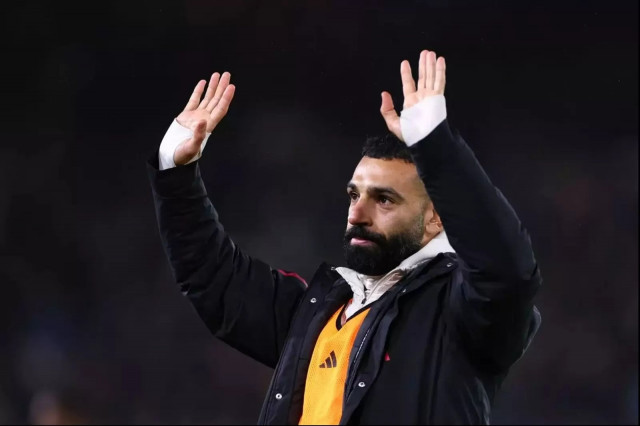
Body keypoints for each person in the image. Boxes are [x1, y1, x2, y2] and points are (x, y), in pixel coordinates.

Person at [147, 49, 542, 425]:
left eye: (384, 200)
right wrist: (175, 173)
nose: (357, 214)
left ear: (436, 219)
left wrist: (438, 149)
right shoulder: (321, 310)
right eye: (354, 195)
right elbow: (214, 278)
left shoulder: (461, 311)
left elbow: (507, 272)